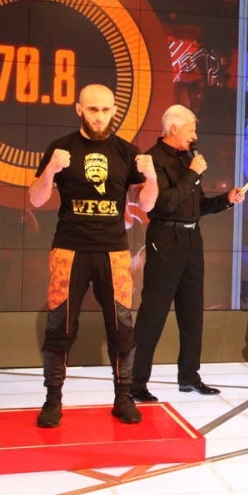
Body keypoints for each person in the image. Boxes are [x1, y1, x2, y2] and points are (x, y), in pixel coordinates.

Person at [29, 83, 158, 428]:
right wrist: (51, 170)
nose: (99, 116)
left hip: (113, 251)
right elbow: (36, 199)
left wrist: (151, 177)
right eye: (92, 109)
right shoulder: (61, 148)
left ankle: (123, 397)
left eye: (105, 109)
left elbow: (147, 204)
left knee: (121, 327)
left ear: (114, 110)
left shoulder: (127, 152)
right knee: (59, 326)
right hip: (69, 249)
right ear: (79, 109)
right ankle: (52, 400)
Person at [130, 104, 245, 401]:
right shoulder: (154, 159)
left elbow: (198, 206)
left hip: (192, 239)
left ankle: (189, 376)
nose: (194, 136)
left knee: (192, 311)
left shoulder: (188, 159)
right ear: (173, 129)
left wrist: (227, 199)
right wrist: (192, 173)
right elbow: (165, 203)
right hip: (165, 238)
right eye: (190, 129)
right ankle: (136, 382)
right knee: (154, 312)